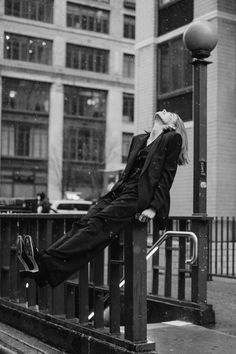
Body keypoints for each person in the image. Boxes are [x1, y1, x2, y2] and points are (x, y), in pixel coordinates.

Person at [17, 109, 189, 288]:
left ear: (173, 124)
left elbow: (166, 176)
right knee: (85, 223)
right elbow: (128, 172)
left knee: (97, 226)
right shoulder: (139, 139)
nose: (163, 110)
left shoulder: (172, 138)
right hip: (120, 190)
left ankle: (45, 264)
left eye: (169, 113)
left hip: (137, 195)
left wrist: (153, 208)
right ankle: (44, 267)